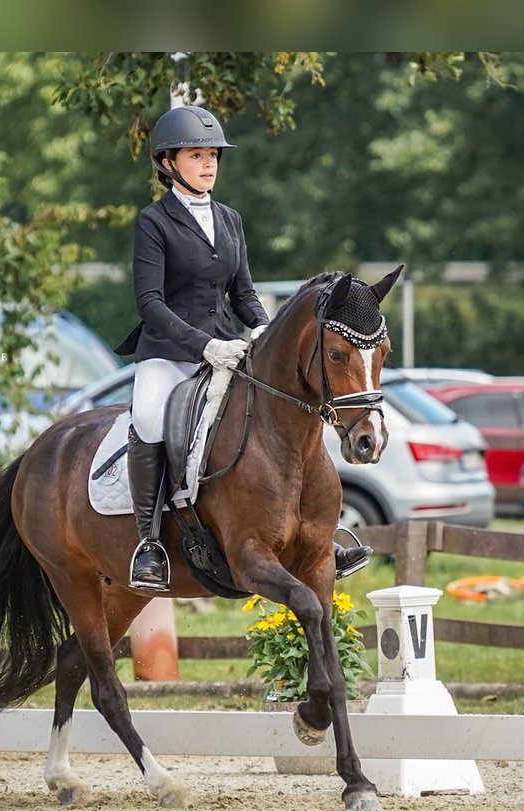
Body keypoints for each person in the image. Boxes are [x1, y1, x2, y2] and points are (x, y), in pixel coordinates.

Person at [114, 105, 371, 591]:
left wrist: (261, 330)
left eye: (213, 155)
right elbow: (149, 302)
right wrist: (203, 345)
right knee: (148, 416)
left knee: (285, 412)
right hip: (169, 353)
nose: (209, 164)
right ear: (168, 162)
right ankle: (148, 543)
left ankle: (317, 535)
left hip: (229, 348)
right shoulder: (155, 221)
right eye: (197, 155)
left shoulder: (229, 219)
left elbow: (244, 293)